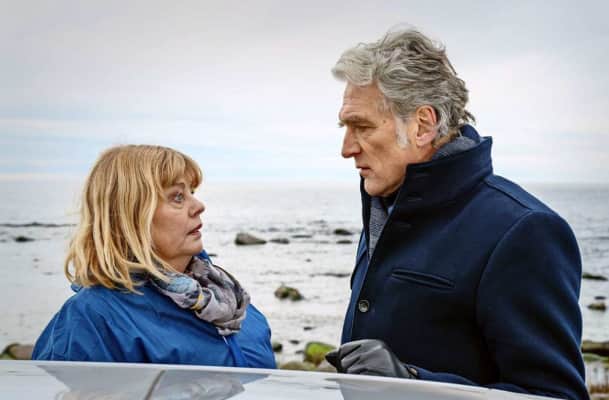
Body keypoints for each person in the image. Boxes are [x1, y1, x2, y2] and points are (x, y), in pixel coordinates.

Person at [325, 28, 588, 399]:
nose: (346, 148)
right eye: (345, 127)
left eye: (362, 127)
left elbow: (555, 395)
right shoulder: (385, 209)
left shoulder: (523, 230)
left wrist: (412, 384)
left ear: (422, 125)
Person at [33, 145, 276, 368]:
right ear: (131, 215)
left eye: (192, 192)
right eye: (177, 196)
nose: (199, 205)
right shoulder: (95, 318)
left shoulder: (225, 296)